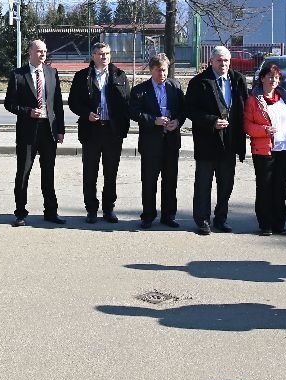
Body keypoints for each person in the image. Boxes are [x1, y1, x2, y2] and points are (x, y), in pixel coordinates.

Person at [185, 46, 248, 235]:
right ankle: (202, 220)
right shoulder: (199, 82)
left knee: (226, 184)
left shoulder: (238, 80)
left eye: (226, 60)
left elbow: (244, 106)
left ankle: (221, 218)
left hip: (230, 142)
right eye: (220, 60)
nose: (223, 64)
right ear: (211, 61)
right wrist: (211, 121)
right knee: (203, 183)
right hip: (207, 141)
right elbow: (190, 109)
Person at [4, 39, 66, 226]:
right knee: (23, 172)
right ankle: (21, 213)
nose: (42, 54)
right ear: (30, 52)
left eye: (45, 51)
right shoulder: (18, 75)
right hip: (27, 132)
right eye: (39, 51)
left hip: (48, 131)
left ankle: (51, 211)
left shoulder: (51, 72)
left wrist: (60, 129)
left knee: (48, 173)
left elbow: (57, 104)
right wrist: (28, 111)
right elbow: (9, 104)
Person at [69, 42, 131, 224]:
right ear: (93, 56)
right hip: (91, 132)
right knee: (90, 173)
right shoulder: (82, 76)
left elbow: (126, 102)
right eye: (100, 54)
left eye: (107, 53)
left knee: (111, 173)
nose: (104, 57)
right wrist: (86, 113)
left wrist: (122, 127)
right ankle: (91, 210)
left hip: (113, 132)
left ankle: (109, 208)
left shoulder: (120, 75)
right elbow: (73, 102)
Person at [245, 63, 286, 236]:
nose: (274, 80)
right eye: (270, 77)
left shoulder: (285, 97)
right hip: (263, 150)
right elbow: (248, 126)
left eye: (277, 77)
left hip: (284, 149)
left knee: (280, 187)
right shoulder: (254, 100)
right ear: (262, 78)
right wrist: (264, 130)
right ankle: (265, 224)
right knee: (265, 187)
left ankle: (279, 223)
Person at [128, 53, 186, 229]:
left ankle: (168, 215)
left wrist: (177, 122)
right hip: (150, 142)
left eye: (165, 70)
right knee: (149, 180)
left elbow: (183, 109)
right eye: (159, 70)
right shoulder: (140, 90)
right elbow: (134, 112)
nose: (163, 74)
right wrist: (154, 120)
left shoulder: (174, 86)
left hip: (171, 141)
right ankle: (148, 215)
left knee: (170, 180)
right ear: (151, 70)